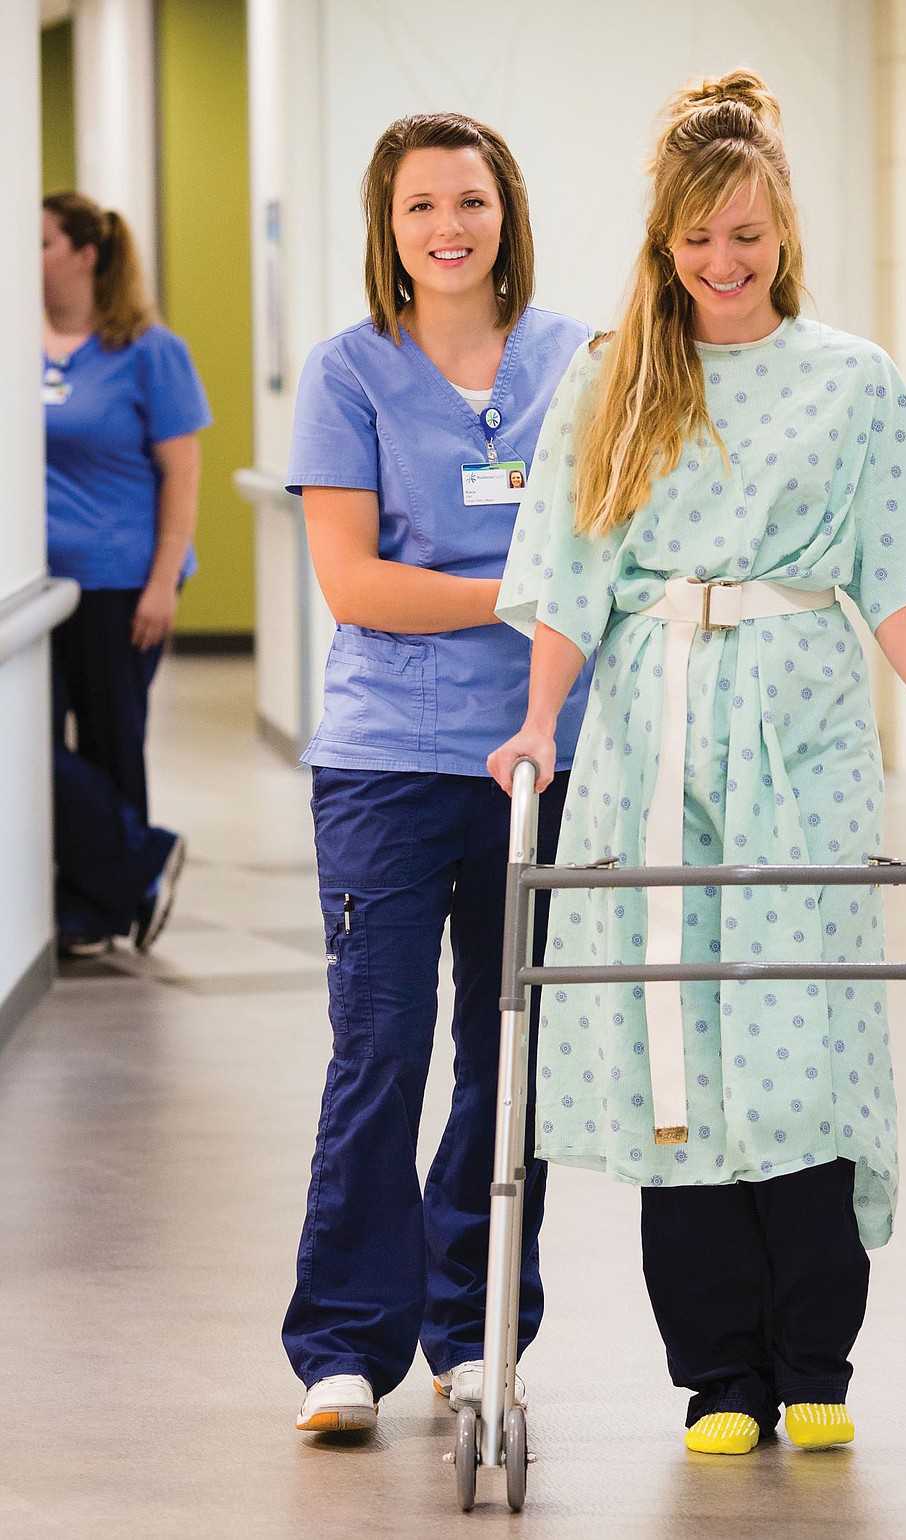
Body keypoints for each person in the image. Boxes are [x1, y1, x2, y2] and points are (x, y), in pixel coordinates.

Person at [488, 70, 906, 1458]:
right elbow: (569, 578)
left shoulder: (853, 381)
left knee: (809, 1028)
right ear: (665, 242)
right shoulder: (613, 376)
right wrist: (540, 725)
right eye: (699, 239)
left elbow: (893, 576)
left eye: (748, 240)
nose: (724, 264)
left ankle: (814, 1363)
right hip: (653, 724)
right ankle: (716, 1374)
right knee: (680, 1038)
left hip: (801, 724)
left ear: (784, 238)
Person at [282, 112, 590, 1435]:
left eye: (468, 200)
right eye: (419, 206)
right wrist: (526, 588)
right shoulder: (346, 372)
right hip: (386, 765)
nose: (447, 226)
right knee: (383, 1047)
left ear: (505, 211)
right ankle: (345, 1344)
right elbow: (350, 583)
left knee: (504, 1051)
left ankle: (474, 1334)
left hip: (543, 753)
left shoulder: (581, 359)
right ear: (387, 228)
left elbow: (614, 546)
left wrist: (473, 591)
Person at [43, 193, 210, 957]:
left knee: (113, 743)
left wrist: (160, 583)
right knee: (31, 742)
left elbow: (182, 473)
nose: (26, 256)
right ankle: (137, 863)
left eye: (41, 242)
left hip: (120, 582)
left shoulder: (148, 350)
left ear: (85, 254)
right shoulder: (21, 344)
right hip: (39, 592)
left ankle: (100, 907)